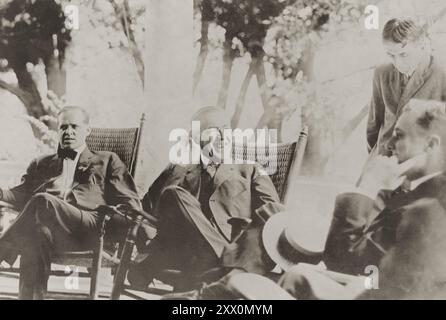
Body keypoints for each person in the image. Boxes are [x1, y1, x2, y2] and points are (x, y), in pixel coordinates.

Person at [266, 99, 446, 299]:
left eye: (399, 136)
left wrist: (369, 185)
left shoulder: (431, 206)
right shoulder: (421, 192)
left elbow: (344, 262)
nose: (389, 144)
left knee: (295, 278)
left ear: (430, 145)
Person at [127, 106, 284, 291]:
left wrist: (248, 250)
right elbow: (145, 208)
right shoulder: (178, 169)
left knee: (173, 193)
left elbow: (273, 212)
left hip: (232, 245)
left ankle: (223, 260)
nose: (223, 137)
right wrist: (149, 239)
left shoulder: (250, 168)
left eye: (226, 129)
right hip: (183, 250)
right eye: (213, 132)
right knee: (173, 193)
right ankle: (223, 261)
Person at [0, 106, 141, 299]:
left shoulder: (107, 160)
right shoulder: (41, 163)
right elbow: (21, 195)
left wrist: (116, 228)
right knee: (36, 235)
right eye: (63, 127)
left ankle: (3, 248)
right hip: (55, 231)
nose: (68, 132)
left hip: (90, 225)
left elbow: (130, 202)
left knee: (43, 200)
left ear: (87, 130)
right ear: (58, 130)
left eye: (74, 126)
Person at [367, 17, 446, 156]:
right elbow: (373, 125)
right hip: (386, 157)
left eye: (404, 54)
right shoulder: (381, 72)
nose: (398, 63)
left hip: (424, 162)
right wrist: (378, 160)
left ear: (421, 44)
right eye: (391, 55)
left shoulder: (441, 73)